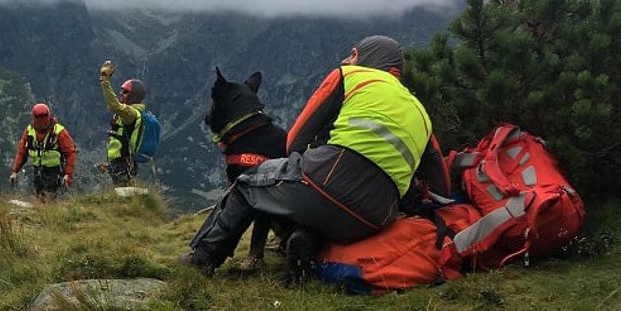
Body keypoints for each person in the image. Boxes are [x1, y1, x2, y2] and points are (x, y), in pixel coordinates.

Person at [180, 36, 449, 276]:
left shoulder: (349, 76)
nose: (347, 59)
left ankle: (202, 259)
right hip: (374, 218)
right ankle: (303, 239)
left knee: (247, 183)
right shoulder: (421, 113)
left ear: (364, 57)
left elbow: (294, 140)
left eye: (353, 54)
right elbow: (441, 186)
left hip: (327, 182)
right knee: (324, 216)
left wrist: (298, 166)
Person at [10, 102, 78, 199]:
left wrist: (68, 174)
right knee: (40, 195)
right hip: (38, 170)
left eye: (44, 118)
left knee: (49, 196)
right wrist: (15, 171)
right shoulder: (29, 132)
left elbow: (70, 153)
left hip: (54, 171)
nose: (42, 122)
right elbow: (22, 153)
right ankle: (44, 212)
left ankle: (48, 211)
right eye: (39, 119)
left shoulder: (58, 132)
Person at [99, 60, 147, 184]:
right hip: (119, 164)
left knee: (123, 195)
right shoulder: (125, 114)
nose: (121, 94)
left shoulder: (131, 113)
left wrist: (105, 80)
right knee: (122, 196)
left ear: (134, 95)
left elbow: (114, 105)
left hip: (123, 165)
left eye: (125, 92)